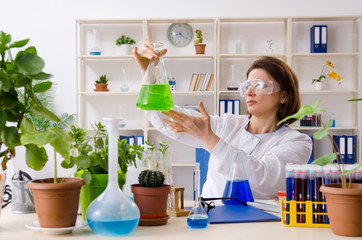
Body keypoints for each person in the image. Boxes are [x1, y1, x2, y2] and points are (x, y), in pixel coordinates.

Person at [133, 40, 312, 200]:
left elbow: (264, 180)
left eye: (260, 86)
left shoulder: (297, 142)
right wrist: (150, 72)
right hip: (211, 218)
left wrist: (210, 138)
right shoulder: (229, 124)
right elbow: (164, 117)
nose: (249, 92)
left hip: (259, 225)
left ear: (284, 95)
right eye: (247, 86)